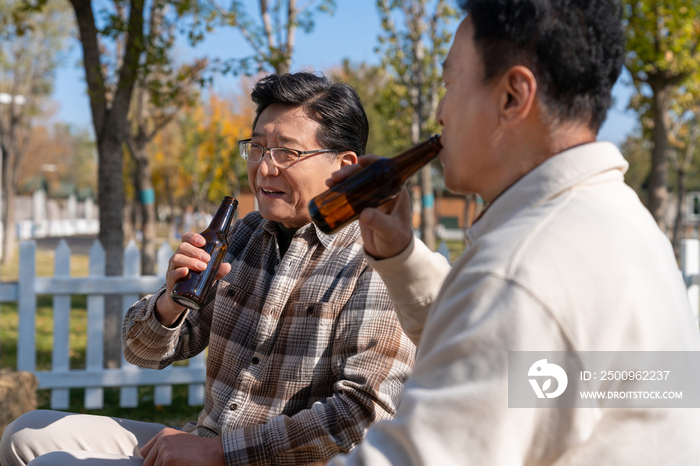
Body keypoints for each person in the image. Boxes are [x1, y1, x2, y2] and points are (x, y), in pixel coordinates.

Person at [326, 1, 700, 465]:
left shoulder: (525, 270)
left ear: (512, 96)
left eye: (449, 84)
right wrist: (402, 257)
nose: (439, 113)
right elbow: (519, 369)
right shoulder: (620, 223)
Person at [0, 72, 416, 466]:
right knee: (24, 434)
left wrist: (222, 453)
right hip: (205, 441)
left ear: (344, 166)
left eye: (286, 152)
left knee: (53, 463)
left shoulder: (377, 255)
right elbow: (141, 352)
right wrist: (169, 303)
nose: (264, 167)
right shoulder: (247, 233)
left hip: (265, 459)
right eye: (256, 147)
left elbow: (365, 415)